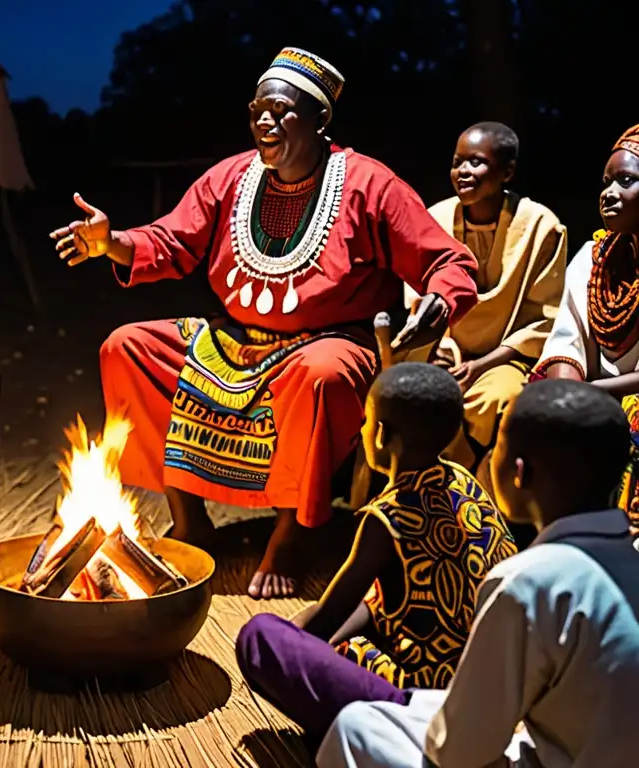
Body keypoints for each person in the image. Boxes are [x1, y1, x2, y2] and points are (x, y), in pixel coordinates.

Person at [50, 47, 480, 599]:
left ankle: (294, 533)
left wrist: (439, 302)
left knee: (320, 376)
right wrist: (112, 244)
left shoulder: (370, 185)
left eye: (280, 110)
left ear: (321, 120)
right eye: (257, 110)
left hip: (330, 343)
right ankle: (189, 518)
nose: (264, 121)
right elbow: (171, 240)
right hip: (234, 339)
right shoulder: (232, 177)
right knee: (126, 347)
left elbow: (449, 261)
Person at [318, 380, 639, 768]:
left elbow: (460, 753)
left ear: (519, 473)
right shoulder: (628, 558)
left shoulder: (528, 583)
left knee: (357, 728)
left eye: (498, 447)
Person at [235, 363, 516, 750]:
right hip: (492, 687)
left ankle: (357, 737)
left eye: (366, 421)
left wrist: (293, 640)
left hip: (428, 705)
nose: (362, 430)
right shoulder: (463, 480)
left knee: (261, 638)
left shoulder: (387, 520)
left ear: (381, 435)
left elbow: (326, 619)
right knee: (379, 596)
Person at [406, 122, 566, 491]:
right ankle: (419, 499)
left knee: (502, 397)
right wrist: (444, 347)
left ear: (507, 171)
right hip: (441, 350)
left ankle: (480, 496)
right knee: (408, 397)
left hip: (505, 358)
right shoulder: (434, 220)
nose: (463, 172)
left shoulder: (542, 227)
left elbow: (544, 320)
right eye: (457, 162)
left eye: (476, 162)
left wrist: (480, 365)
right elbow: (419, 300)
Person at [533, 124, 639, 533]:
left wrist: (591, 394)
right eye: (606, 182)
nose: (609, 192)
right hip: (595, 389)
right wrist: (567, 394)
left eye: (626, 181)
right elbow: (568, 339)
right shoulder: (593, 258)